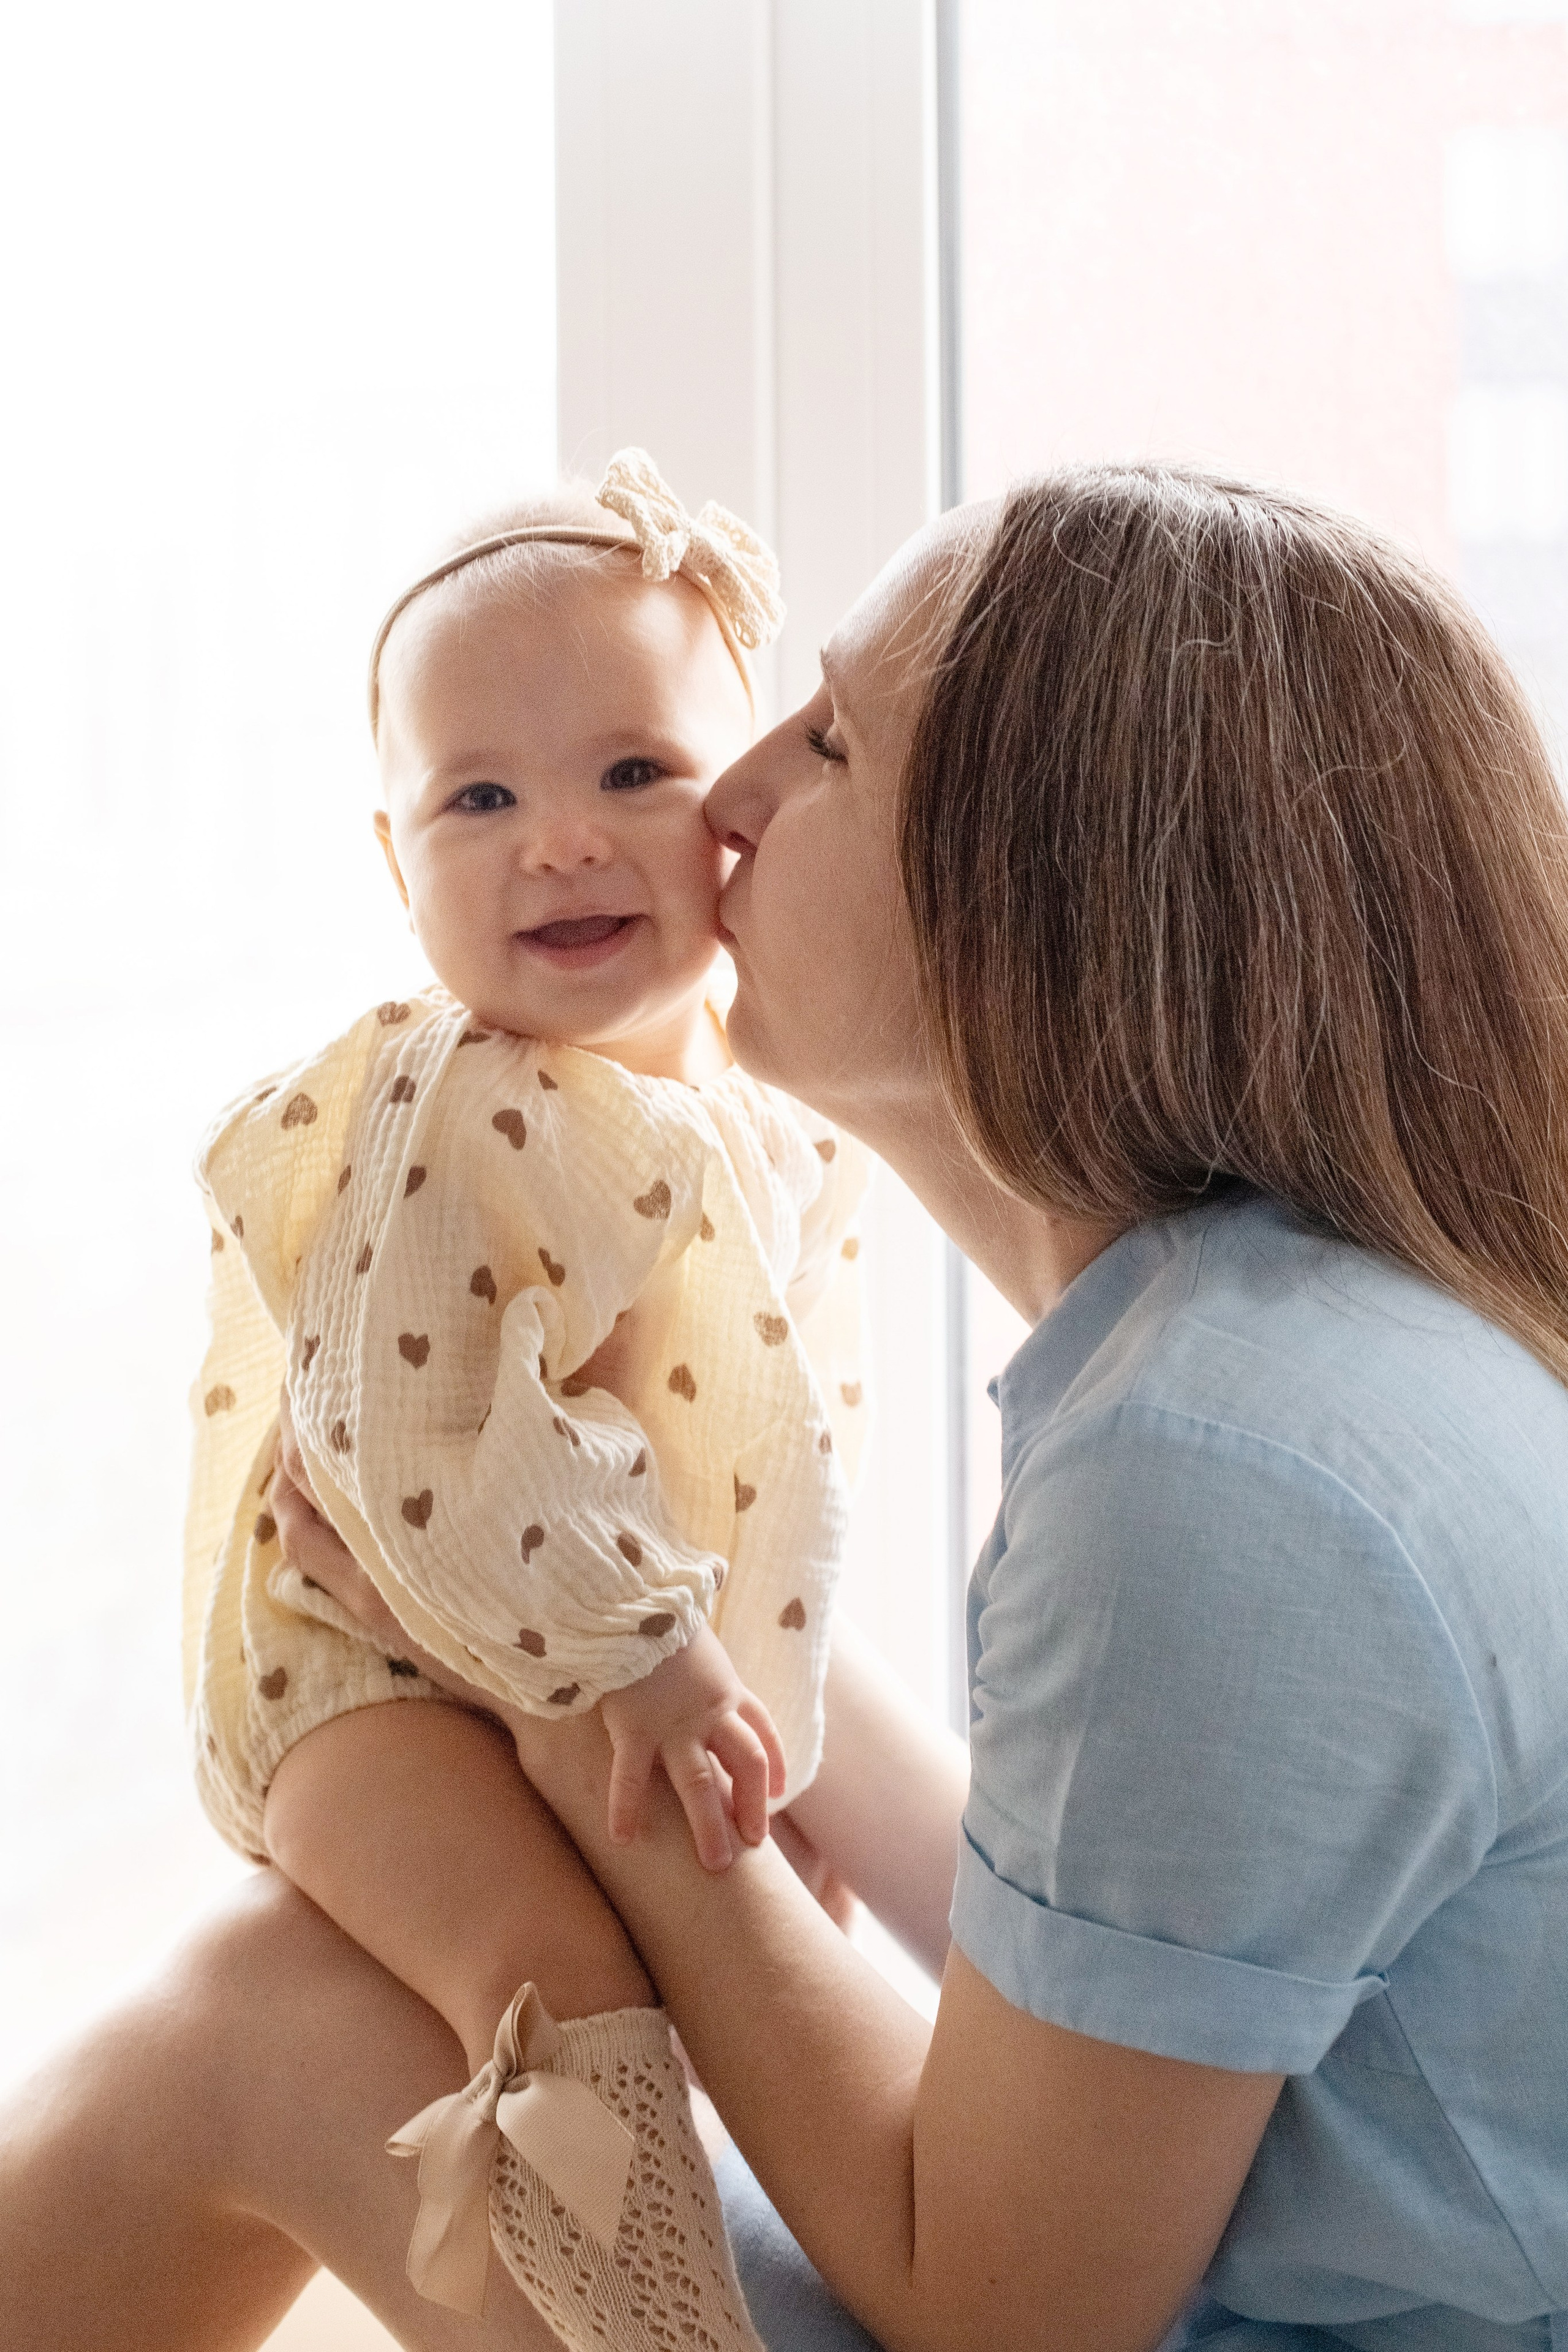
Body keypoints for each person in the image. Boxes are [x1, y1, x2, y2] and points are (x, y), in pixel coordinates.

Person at [5, 461, 1567, 2352]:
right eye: (481, 795)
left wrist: (564, 1694)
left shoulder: (1215, 1475)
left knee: (262, 2020)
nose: (728, 800)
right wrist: (708, 1689)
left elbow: (1009, 2312)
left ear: (1030, 882)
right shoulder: (1309, 1361)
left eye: (825, 744)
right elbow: (1123, 1956)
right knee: (279, 2005)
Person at [186, 448, 869, 2347]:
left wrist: (762, 1700)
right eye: (479, 797)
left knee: (710, 1973)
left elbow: (781, 1443)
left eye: (632, 775)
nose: (557, 841)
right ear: (398, 864)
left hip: (556, 1665)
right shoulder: (458, 1107)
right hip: (356, 1678)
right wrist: (653, 1653)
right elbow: (412, 1450)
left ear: (739, 810)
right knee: (550, 1981)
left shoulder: (762, 1123)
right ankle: (653, 2325)